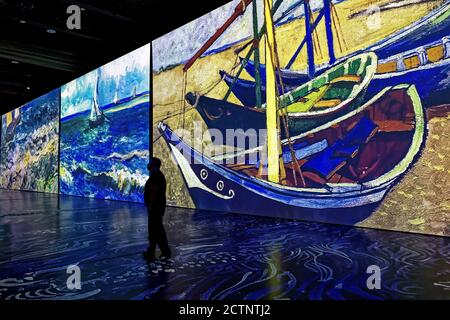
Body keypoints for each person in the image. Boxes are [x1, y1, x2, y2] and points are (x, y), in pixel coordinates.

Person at [143, 157, 171, 262]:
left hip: (155, 207)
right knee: (155, 229)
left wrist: (150, 203)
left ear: (154, 165)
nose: (148, 164)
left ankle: (164, 252)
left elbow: (154, 191)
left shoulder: (156, 176)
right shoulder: (158, 175)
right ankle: (152, 251)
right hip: (157, 206)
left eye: (150, 163)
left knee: (157, 230)